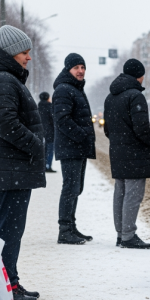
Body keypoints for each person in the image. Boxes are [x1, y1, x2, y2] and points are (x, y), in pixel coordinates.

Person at [0, 24, 46, 300]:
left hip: (11, 168)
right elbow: (6, 124)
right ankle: (6, 286)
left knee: (10, 230)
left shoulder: (5, 79)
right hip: (10, 168)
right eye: (24, 52)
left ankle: (8, 282)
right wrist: (36, 144)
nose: (28, 57)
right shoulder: (4, 80)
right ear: (10, 52)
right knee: (8, 231)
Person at [103, 59, 150, 249]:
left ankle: (121, 234)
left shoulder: (110, 97)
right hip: (135, 153)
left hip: (117, 151)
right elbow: (141, 128)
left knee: (120, 192)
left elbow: (107, 129)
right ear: (139, 76)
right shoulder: (135, 96)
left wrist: (120, 141)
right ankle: (128, 236)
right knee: (133, 195)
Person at [53, 53, 96, 244]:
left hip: (77, 148)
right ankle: (64, 230)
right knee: (70, 188)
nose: (81, 71)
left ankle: (71, 226)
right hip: (70, 147)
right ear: (68, 69)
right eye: (76, 67)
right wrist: (82, 136)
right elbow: (62, 119)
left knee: (76, 188)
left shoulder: (75, 88)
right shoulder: (64, 89)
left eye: (83, 67)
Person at [38, 92, 56, 172]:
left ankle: (43, 166)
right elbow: (53, 119)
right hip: (50, 132)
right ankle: (48, 166)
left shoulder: (38, 107)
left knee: (43, 150)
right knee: (50, 150)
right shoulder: (50, 107)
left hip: (40, 132)